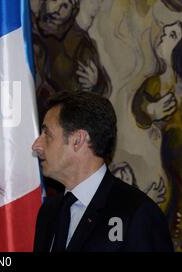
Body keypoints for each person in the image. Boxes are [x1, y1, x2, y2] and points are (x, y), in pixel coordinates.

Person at [32, 91, 173, 252]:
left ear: (78, 140)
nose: (36, 145)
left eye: (47, 134)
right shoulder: (48, 211)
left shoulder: (136, 213)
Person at [132, 21, 182, 250]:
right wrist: (151, 110)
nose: (163, 36)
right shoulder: (156, 83)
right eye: (165, 31)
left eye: (172, 35)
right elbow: (138, 109)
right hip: (159, 168)